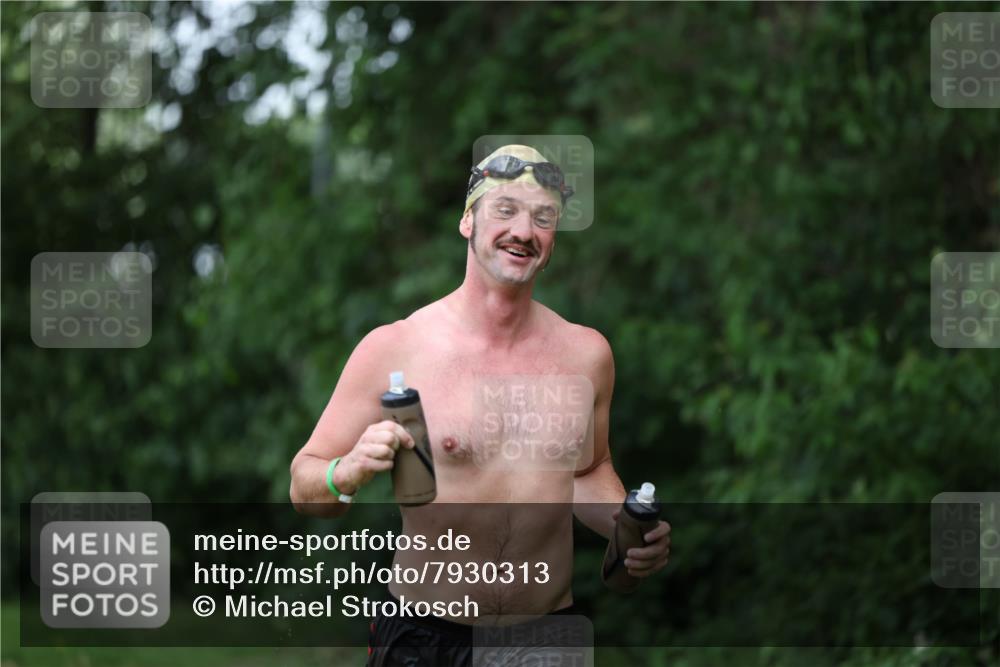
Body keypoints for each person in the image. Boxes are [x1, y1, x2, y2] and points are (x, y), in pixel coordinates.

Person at [289, 144, 671, 666]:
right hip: (425, 638)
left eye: (544, 217)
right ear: (468, 221)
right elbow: (304, 485)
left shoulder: (587, 354)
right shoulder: (397, 347)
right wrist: (347, 471)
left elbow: (585, 470)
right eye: (506, 209)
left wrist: (629, 525)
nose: (524, 230)